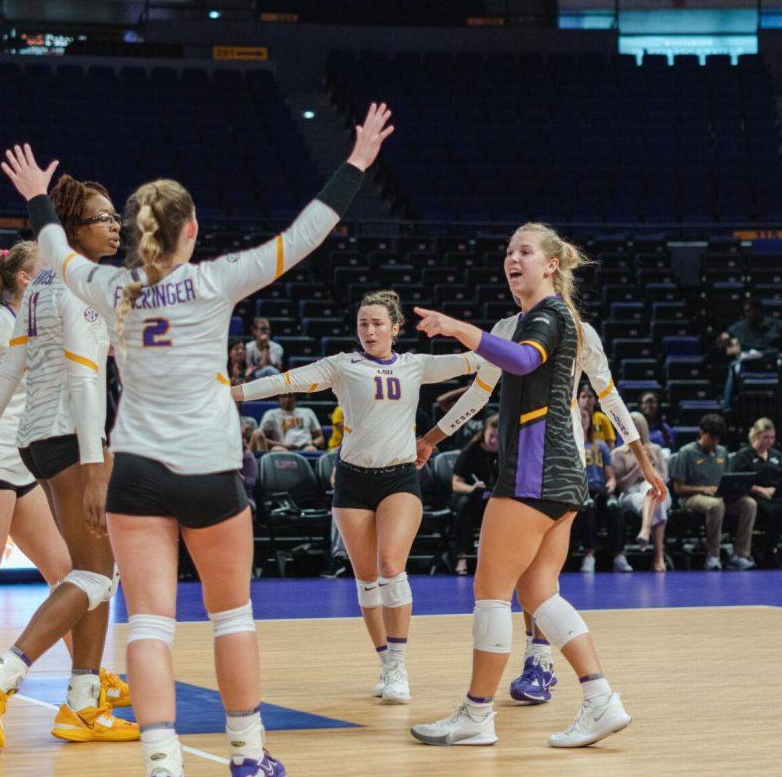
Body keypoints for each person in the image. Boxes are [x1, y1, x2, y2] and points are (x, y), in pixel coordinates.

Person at [0, 103, 392, 777]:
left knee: (149, 624)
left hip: (138, 473)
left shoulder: (112, 287)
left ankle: (161, 773)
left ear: (138, 232)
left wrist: (35, 195)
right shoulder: (218, 279)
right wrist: (358, 159)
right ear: (191, 231)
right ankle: (247, 759)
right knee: (230, 616)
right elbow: (308, 232)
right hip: (209, 471)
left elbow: (54, 254)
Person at [409, 222, 665, 749]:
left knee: (491, 591)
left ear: (551, 264)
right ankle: (600, 700)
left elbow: (526, 360)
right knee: (537, 591)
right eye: (508, 251)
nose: (512, 258)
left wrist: (459, 327)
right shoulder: (530, 319)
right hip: (562, 472)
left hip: (534, 470)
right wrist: (433, 434)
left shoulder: (549, 317)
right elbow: (490, 381)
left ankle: (477, 715)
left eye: (524, 251)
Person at [234, 289, 483, 704]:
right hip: (351, 481)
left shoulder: (416, 365)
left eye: (378, 323)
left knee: (391, 565)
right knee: (367, 578)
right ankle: (385, 663)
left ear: (396, 328)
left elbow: (478, 359)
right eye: (363, 323)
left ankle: (400, 665)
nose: (369, 330)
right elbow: (285, 380)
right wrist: (232, 394)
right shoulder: (341, 366)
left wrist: (501, 341)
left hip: (400, 478)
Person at [0, 175, 136, 752]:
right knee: (95, 575)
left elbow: (14, 369)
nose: (116, 225)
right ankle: (0, 679)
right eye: (104, 217)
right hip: (73, 441)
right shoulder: (81, 286)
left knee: (92, 571)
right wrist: (97, 466)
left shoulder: (43, 286)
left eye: (116, 215)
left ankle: (82, 702)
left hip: (36, 442)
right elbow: (83, 376)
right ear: (75, 228)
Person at [0, 243, 73, 615]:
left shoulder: (35, 326)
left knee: (65, 573)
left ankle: (87, 673)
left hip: (20, 467)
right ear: (25, 279)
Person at [670, 413, 757, 570]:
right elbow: (678, 488)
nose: (714, 442)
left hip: (721, 497)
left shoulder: (722, 452)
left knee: (749, 504)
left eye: (717, 439)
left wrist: (734, 490)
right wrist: (703, 489)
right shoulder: (686, 452)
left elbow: (729, 479)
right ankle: (713, 556)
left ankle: (741, 554)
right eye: (711, 438)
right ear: (701, 432)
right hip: (692, 498)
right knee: (715, 505)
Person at [612, 411, 670, 572]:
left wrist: (650, 466)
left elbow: (664, 479)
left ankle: (645, 530)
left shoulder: (656, 449)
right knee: (655, 498)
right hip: (630, 494)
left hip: (659, 491)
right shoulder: (618, 453)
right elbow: (621, 486)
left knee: (653, 489)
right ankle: (659, 557)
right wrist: (638, 471)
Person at [577, 406, 631, 574]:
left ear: (590, 421)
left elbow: (611, 476)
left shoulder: (600, 445)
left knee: (615, 507)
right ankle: (589, 556)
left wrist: (612, 485)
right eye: (579, 416)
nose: (582, 419)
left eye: (585, 416)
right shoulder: (570, 444)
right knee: (588, 506)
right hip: (579, 491)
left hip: (600, 489)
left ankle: (618, 556)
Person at [451, 415, 499, 576]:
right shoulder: (470, 451)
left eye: (498, 437)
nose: (493, 441)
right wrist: (472, 488)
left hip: (495, 497)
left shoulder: (507, 451)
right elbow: (456, 483)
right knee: (466, 506)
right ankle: (461, 556)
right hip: (470, 495)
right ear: (484, 432)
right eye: (491, 436)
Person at [731, 417, 782, 567]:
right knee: (776, 511)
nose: (769, 441)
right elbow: (737, 480)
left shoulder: (776, 455)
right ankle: (768, 548)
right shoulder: (744, 455)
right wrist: (759, 489)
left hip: (776, 494)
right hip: (754, 495)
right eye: (765, 437)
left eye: (772, 437)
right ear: (756, 435)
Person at [260, 394, 324, 452]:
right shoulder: (271, 414)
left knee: (311, 449)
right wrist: (282, 445)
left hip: (305, 446)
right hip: (282, 447)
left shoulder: (308, 412)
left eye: (290, 396)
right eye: (284, 396)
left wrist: (312, 443)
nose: (287, 399)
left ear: (295, 398)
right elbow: (261, 438)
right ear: (278, 399)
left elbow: (320, 438)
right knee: (278, 450)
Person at [577, 382, 616, 449]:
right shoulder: (573, 418)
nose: (587, 400)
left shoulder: (602, 418)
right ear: (578, 400)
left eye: (590, 397)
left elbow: (611, 444)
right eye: (583, 397)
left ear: (595, 400)